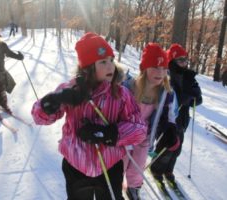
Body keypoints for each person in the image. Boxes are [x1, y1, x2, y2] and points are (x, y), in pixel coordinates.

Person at [31, 32, 147, 200]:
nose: (110, 67)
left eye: (111, 60)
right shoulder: (71, 89)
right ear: (88, 67)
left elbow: (140, 129)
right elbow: (39, 117)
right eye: (103, 62)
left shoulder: (121, 94)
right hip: (75, 166)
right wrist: (53, 101)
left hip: (110, 166)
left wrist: (109, 134)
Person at [122, 43, 180, 199]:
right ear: (144, 68)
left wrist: (171, 130)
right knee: (121, 162)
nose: (160, 72)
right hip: (124, 135)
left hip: (145, 135)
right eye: (155, 67)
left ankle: (133, 187)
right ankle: (115, 185)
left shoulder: (166, 93)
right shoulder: (129, 87)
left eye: (163, 68)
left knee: (139, 164)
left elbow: (170, 115)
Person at [157, 43, 202, 184]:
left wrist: (194, 98)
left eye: (185, 59)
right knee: (167, 146)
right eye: (180, 60)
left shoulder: (189, 76)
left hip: (182, 120)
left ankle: (168, 170)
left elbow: (198, 98)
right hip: (167, 119)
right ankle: (157, 169)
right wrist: (182, 97)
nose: (184, 63)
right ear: (172, 60)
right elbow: (164, 95)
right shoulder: (166, 75)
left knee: (177, 148)